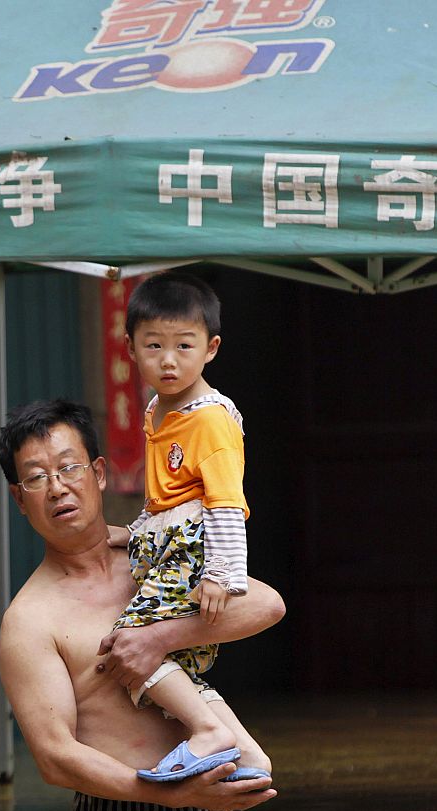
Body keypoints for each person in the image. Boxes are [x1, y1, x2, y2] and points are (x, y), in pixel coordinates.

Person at [0, 399, 282, 811]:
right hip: (117, 808)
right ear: (18, 497)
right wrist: (162, 793)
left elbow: (266, 606)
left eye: (69, 468)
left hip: (204, 796)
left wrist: (158, 639)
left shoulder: (155, 559)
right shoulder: (29, 619)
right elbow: (54, 757)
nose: (58, 488)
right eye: (36, 477)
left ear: (99, 473)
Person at [105, 272, 269, 783]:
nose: (168, 360)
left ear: (211, 348)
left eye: (184, 345)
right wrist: (133, 534)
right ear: (130, 347)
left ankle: (208, 732)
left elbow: (223, 501)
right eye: (154, 345)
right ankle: (250, 757)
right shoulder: (159, 409)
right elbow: (169, 496)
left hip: (196, 550)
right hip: (169, 544)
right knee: (181, 665)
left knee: (132, 642)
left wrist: (223, 575)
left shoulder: (209, 418)